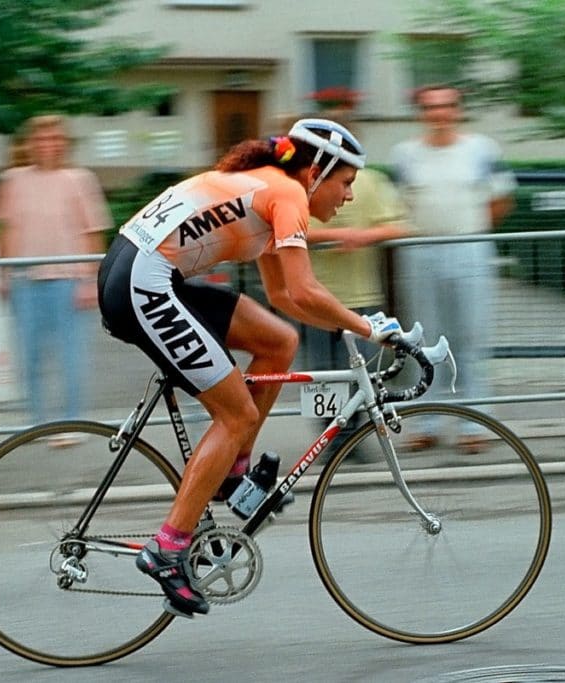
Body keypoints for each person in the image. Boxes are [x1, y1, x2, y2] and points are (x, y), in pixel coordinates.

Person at [97, 118, 404, 617]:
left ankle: (232, 473)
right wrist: (370, 329)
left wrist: (350, 323)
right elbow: (304, 291)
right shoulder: (287, 195)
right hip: (143, 283)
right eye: (346, 183)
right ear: (318, 171)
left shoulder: (266, 189)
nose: (348, 197)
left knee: (278, 340)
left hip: (144, 272)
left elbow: (285, 297)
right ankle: (169, 547)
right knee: (234, 413)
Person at [390, 84, 517, 453]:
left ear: (458, 110)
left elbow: (501, 199)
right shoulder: (405, 155)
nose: (439, 114)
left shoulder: (482, 149)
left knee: (471, 336)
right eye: (430, 107)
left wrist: (470, 231)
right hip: (421, 250)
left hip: (470, 248)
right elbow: (401, 204)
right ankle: (427, 422)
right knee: (424, 337)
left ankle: (472, 424)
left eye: (446, 106)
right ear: (421, 113)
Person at [0, 115, 110, 439]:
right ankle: (35, 423)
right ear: (29, 144)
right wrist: (2, 274)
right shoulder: (12, 180)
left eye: (54, 138)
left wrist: (89, 281)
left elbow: (93, 232)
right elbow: (5, 230)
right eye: (40, 139)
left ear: (64, 143)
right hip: (25, 281)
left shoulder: (80, 179)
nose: (47, 145)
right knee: (28, 358)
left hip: (68, 281)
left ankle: (73, 425)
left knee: (72, 358)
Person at [298, 118, 409, 447]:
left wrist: (364, 236)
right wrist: (334, 235)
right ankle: (330, 439)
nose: (347, 191)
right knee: (322, 374)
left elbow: (400, 225)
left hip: (360, 294)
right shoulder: (304, 185)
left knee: (362, 371)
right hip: (315, 298)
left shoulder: (372, 183)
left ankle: (352, 436)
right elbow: (287, 231)